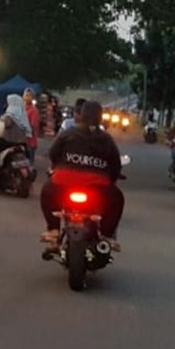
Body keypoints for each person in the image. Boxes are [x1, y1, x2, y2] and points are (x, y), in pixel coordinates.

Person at [40, 102, 124, 245]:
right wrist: (112, 179)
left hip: (63, 181)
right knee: (117, 199)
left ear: (81, 115)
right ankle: (107, 235)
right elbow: (115, 165)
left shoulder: (67, 134)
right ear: (100, 117)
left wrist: (58, 166)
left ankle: (53, 229)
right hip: (98, 185)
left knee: (46, 192)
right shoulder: (106, 139)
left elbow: (54, 154)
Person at [0, 93, 32, 168]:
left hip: (9, 142)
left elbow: (7, 125)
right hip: (22, 142)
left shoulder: (10, 114)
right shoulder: (22, 114)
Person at [23, 88, 40, 160]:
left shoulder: (34, 111)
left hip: (30, 142)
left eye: (29, 96)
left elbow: (33, 127)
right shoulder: (21, 108)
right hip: (21, 140)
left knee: (28, 165)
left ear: (32, 97)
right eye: (26, 95)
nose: (27, 97)